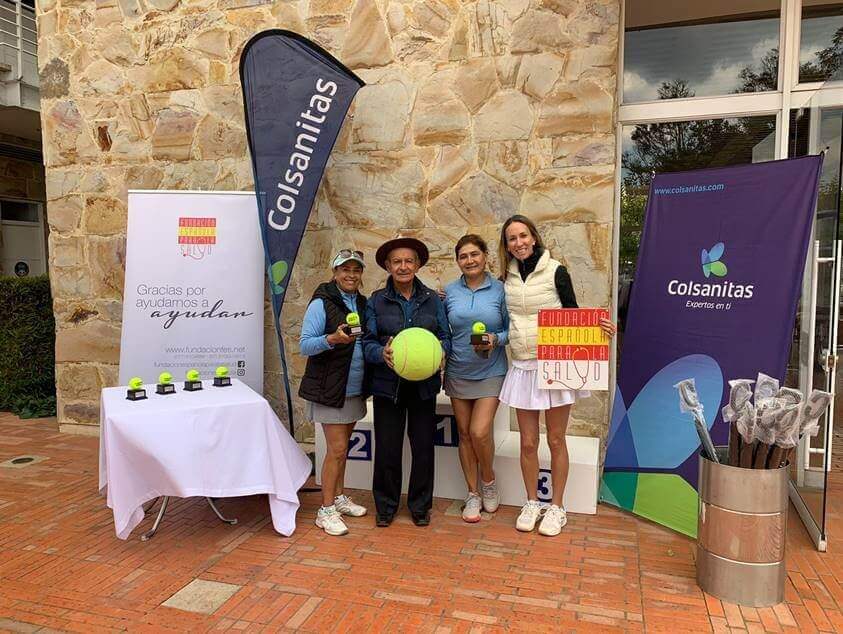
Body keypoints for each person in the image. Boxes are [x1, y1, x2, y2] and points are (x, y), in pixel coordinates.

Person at [497, 215, 616, 537]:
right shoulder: (504, 279)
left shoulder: (556, 271)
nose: (519, 243)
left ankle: (557, 507)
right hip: (523, 366)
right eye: (512, 238)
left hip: (554, 365)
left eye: (523, 235)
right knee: (527, 442)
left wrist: (599, 327)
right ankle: (532, 502)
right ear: (506, 245)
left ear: (534, 237)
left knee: (555, 439)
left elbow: (572, 313)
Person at [362, 237, 451, 528]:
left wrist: (441, 352)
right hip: (388, 386)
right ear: (388, 266)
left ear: (418, 264)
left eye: (409, 261)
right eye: (397, 262)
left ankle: (420, 506)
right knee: (387, 448)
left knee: (423, 448)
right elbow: (367, 342)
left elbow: (445, 336)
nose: (403, 266)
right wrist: (380, 353)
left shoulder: (432, 300)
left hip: (423, 386)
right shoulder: (376, 300)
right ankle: (385, 507)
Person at [299, 249, 370, 536]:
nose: (351, 275)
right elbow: (305, 344)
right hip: (329, 388)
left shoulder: (362, 303)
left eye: (356, 270)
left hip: (353, 389)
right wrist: (332, 339)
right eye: (345, 269)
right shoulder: (321, 302)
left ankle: (338, 497)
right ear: (335, 272)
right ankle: (325, 510)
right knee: (337, 450)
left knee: (342, 449)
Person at [443, 234, 509, 523]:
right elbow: (444, 330)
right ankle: (472, 493)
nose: (469, 260)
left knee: (480, 431)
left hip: (491, 371)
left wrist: (496, 339)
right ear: (458, 261)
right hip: (458, 371)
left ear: (485, 256)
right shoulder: (449, 291)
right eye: (463, 256)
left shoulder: (501, 290)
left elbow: (512, 330)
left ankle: (489, 481)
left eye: (474, 254)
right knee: (465, 434)